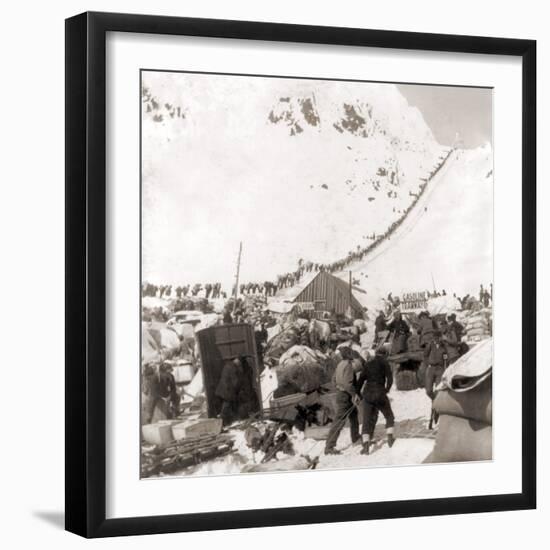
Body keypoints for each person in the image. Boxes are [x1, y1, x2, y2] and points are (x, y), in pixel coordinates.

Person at [356, 347, 395, 454]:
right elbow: (390, 379)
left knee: (366, 420)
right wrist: (386, 389)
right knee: (389, 415)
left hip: (368, 395)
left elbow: (360, 381)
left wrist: (358, 394)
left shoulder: (368, 364)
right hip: (380, 393)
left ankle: (366, 446)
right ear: (385, 354)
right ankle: (390, 438)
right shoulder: (385, 363)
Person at [324, 347, 362, 455]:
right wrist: (354, 395)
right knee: (339, 421)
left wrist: (338, 388)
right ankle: (329, 447)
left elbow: (333, 380)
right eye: (351, 353)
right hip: (346, 396)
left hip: (341, 394)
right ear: (349, 354)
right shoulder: (348, 365)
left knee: (354, 415)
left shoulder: (340, 364)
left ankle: (355, 437)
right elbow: (348, 384)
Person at [423, 330, 448, 400]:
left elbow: (446, 357)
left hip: (439, 369)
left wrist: (444, 368)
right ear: (433, 338)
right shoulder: (430, 345)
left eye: (438, 338)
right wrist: (428, 364)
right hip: (430, 369)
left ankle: (435, 406)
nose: (437, 339)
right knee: (428, 391)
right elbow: (425, 355)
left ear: (440, 338)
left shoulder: (443, 346)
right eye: (435, 338)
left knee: (438, 390)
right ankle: (434, 400)